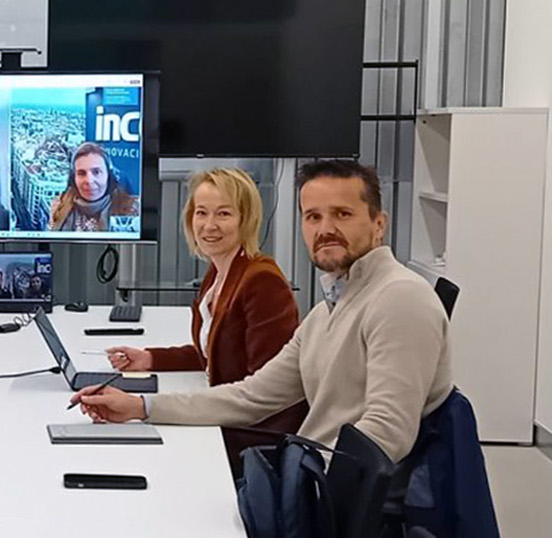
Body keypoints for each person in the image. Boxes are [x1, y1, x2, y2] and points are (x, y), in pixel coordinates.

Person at [73, 160, 453, 462]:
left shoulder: (399, 298)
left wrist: (301, 491)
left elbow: (387, 435)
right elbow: (251, 395)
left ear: (378, 224)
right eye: (313, 216)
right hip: (305, 471)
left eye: (343, 214)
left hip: (330, 498)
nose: (325, 229)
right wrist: (140, 406)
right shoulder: (330, 310)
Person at [105, 168, 305, 471]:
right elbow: (213, 356)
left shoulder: (262, 281)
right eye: (201, 213)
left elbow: (265, 395)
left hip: (252, 442)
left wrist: (146, 408)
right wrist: (149, 359)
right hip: (225, 417)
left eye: (224, 214)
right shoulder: (219, 271)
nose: (209, 225)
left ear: (246, 219)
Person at [50, 142, 139, 232]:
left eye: (96, 172)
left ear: (109, 176)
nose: (89, 181)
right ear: (73, 179)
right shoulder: (58, 207)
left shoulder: (134, 209)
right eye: (81, 173)